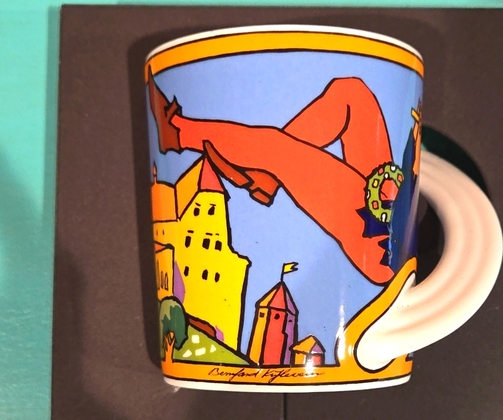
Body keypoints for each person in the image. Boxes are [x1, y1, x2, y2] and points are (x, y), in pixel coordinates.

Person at [149, 71, 407, 285]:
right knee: (350, 92)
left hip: (382, 244)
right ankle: (265, 177)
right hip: (390, 201)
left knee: (279, 150)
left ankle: (180, 133)